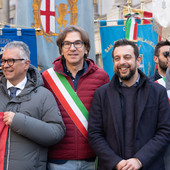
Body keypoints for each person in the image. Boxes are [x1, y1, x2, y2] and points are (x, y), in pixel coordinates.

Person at [88, 39, 170, 170]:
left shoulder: (157, 91)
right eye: (117, 58)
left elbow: (165, 131)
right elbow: (95, 134)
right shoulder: (101, 94)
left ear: (138, 61)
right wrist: (116, 162)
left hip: (149, 165)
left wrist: (139, 160)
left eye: (127, 57)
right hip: (114, 167)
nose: (122, 62)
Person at [42, 25, 110, 170]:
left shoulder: (102, 77)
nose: (72, 48)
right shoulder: (47, 78)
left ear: (86, 49)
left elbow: (109, 115)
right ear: (61, 50)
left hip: (93, 159)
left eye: (78, 43)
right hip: (58, 160)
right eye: (67, 44)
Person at [0, 41, 65, 170]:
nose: (5, 66)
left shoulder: (43, 95)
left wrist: (19, 121)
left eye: (11, 61)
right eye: (3, 61)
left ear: (26, 64)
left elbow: (56, 133)